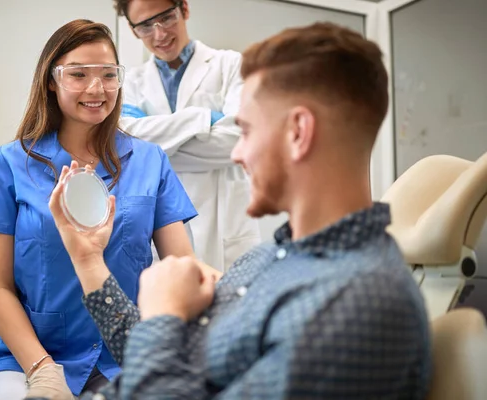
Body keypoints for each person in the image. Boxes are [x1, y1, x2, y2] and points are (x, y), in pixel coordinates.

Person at [50, 22, 432, 399]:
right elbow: (164, 363)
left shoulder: (358, 305)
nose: (236, 153)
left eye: (246, 131)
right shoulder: (268, 260)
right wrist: (89, 263)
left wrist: (164, 315)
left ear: (298, 132)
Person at [0, 19, 199, 400]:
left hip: (128, 355)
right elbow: (0, 290)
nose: (96, 88)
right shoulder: (10, 163)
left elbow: (183, 271)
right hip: (31, 357)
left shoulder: (151, 161)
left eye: (108, 75)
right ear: (51, 81)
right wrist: (42, 370)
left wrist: (163, 352)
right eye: (78, 74)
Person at [113, 0, 261, 272]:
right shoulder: (131, 83)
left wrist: (158, 151)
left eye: (166, 18)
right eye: (145, 26)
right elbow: (127, 144)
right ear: (134, 31)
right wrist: (202, 117)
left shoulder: (231, 65)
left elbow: (240, 140)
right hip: (164, 233)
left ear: (184, 9)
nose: (159, 34)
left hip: (226, 227)